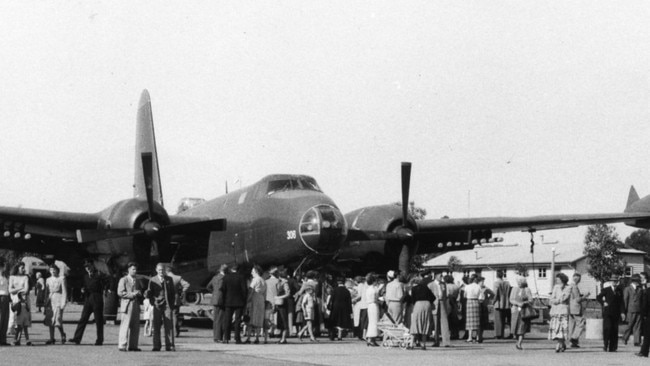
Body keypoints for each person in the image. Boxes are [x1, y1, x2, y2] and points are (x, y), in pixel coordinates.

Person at [70, 261, 108, 346]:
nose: (88, 268)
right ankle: (77, 338)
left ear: (92, 267)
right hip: (88, 298)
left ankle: (99, 340)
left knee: (98, 320)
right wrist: (83, 289)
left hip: (97, 297)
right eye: (86, 267)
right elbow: (84, 285)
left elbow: (108, 281)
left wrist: (107, 289)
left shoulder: (99, 275)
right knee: (83, 319)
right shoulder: (86, 276)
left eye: (89, 266)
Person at [146, 262, 177, 351]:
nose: (161, 272)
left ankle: (170, 345)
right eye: (159, 270)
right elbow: (149, 292)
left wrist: (171, 304)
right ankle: (156, 346)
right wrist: (153, 302)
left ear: (164, 271)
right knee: (156, 326)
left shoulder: (169, 279)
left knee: (169, 326)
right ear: (156, 270)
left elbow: (172, 293)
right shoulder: (152, 280)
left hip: (167, 305)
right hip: (157, 305)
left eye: (162, 270)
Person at [117, 262, 142, 352]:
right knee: (125, 325)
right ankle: (122, 345)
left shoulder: (137, 280)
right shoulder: (123, 280)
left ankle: (133, 346)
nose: (135, 271)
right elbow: (120, 292)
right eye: (133, 269)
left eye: (136, 269)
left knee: (135, 326)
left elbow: (139, 291)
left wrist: (139, 293)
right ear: (128, 270)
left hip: (136, 304)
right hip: (127, 305)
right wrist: (131, 294)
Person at [220, 263, 247, 344]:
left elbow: (222, 289)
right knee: (238, 320)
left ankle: (226, 338)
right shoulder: (241, 277)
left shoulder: (226, 277)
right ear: (238, 269)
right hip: (239, 301)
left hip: (228, 301)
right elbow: (244, 290)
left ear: (231, 269)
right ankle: (237, 338)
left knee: (227, 319)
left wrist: (224, 299)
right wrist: (244, 300)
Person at [596, 274, 624, 352]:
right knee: (608, 328)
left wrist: (622, 312)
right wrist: (603, 302)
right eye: (613, 281)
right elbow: (598, 297)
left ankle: (613, 347)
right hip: (608, 313)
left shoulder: (619, 290)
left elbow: (621, 302)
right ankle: (605, 344)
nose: (614, 282)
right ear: (610, 282)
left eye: (616, 281)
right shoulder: (606, 289)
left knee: (614, 330)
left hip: (616, 313)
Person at [409, 275, 435, 350]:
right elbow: (433, 297)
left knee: (415, 323)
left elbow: (413, 300)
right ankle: (423, 344)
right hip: (427, 304)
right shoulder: (426, 287)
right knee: (425, 323)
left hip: (418, 304)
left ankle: (411, 344)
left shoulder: (414, 289)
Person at [244, 265, 267, 344]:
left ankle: (249, 337)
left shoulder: (255, 280)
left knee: (251, 318)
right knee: (258, 319)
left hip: (254, 299)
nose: (251, 273)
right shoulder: (263, 281)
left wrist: (247, 300)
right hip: (261, 300)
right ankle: (257, 337)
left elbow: (251, 291)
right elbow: (264, 293)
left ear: (256, 272)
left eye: (253, 271)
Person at [44, 265, 67, 345]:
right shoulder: (48, 280)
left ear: (57, 270)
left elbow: (64, 291)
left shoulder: (61, 279)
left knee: (58, 319)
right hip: (50, 299)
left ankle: (62, 334)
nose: (53, 271)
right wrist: (45, 302)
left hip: (58, 299)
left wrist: (63, 302)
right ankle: (51, 338)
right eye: (51, 270)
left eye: (54, 270)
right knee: (50, 319)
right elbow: (46, 292)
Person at [548, 273, 571, 352]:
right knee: (557, 328)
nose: (556, 280)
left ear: (562, 279)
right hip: (555, 311)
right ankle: (561, 344)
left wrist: (556, 300)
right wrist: (555, 301)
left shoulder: (568, 288)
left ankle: (558, 345)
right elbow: (552, 298)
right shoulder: (555, 287)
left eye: (558, 279)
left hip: (563, 310)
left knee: (562, 328)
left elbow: (564, 298)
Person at [165, 265, 190, 338]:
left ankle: (168, 331)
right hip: (176, 298)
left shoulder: (165, 278)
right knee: (175, 315)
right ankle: (176, 332)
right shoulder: (178, 277)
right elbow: (187, 285)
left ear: (166, 271)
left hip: (167, 299)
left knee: (168, 315)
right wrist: (183, 291)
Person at [510, 276, 533, 350]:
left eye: (520, 282)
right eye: (518, 282)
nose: (519, 283)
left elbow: (531, 300)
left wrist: (524, 302)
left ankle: (519, 343)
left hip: (524, 311)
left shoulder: (527, 289)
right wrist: (517, 303)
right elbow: (511, 299)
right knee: (515, 327)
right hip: (515, 310)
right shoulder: (514, 289)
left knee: (522, 328)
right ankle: (517, 340)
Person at [206, 263, 228, 343]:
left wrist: (214, 292)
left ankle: (215, 336)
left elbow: (208, 287)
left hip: (215, 299)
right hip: (222, 299)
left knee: (215, 319)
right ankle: (219, 337)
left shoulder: (215, 277)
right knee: (221, 319)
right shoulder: (225, 278)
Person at [428, 271, 450, 347]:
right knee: (435, 324)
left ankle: (446, 342)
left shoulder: (444, 284)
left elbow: (446, 296)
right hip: (434, 304)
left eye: (442, 276)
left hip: (442, 303)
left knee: (444, 322)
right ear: (436, 276)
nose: (441, 278)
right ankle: (436, 341)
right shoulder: (430, 285)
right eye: (440, 276)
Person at [9, 263, 30, 340]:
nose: (24, 269)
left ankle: (20, 339)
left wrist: (16, 289)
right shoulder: (12, 277)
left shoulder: (25, 277)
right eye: (22, 268)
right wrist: (20, 288)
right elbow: (10, 290)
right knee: (16, 319)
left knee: (23, 320)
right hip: (15, 300)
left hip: (23, 299)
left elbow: (26, 290)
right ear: (17, 268)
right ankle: (17, 338)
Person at [568, 273, 589, 348]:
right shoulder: (575, 287)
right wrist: (585, 296)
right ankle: (574, 338)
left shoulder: (569, 286)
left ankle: (571, 342)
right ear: (577, 279)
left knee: (572, 325)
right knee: (581, 323)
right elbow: (577, 299)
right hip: (575, 308)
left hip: (570, 308)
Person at [623, 274, 643, 346]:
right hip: (630, 310)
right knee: (630, 325)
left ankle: (637, 341)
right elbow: (625, 300)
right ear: (634, 281)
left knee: (638, 326)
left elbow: (641, 300)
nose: (639, 282)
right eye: (638, 281)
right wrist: (624, 311)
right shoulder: (627, 289)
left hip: (639, 310)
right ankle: (625, 338)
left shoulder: (640, 289)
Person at [273, 268, 291, 344]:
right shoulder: (280, 282)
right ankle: (282, 338)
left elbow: (288, 293)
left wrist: (279, 297)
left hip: (283, 303)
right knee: (280, 320)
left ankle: (283, 338)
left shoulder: (285, 283)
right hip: (279, 304)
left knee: (284, 321)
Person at [493, 270, 511, 339]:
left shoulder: (496, 283)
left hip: (498, 303)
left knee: (497, 319)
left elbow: (495, 294)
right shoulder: (507, 283)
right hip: (506, 303)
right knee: (503, 320)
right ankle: (502, 334)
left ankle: (498, 334)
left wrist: (493, 302)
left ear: (497, 275)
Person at [463, 274, 481, 343]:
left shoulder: (467, 286)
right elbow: (480, 295)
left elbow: (464, 295)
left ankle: (470, 337)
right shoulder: (478, 286)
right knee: (477, 321)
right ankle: (477, 337)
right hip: (476, 301)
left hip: (469, 302)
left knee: (469, 321)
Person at [365, 273, 381, 347]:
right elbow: (374, 299)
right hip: (373, 305)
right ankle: (371, 338)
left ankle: (372, 339)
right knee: (374, 322)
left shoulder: (368, 289)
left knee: (372, 322)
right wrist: (380, 301)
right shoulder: (373, 289)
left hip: (370, 306)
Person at [636, 276, 650, 357]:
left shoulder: (647, 291)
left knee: (647, 335)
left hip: (648, 316)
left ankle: (644, 352)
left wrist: (643, 315)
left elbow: (645, 305)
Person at [478, 276, 494, 343]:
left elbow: (492, 294)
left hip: (484, 305)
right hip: (478, 304)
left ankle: (480, 335)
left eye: (483, 282)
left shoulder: (486, 288)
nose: (482, 283)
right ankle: (477, 336)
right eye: (481, 282)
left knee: (483, 321)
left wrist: (487, 299)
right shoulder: (477, 288)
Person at [445, 275, 461, 340]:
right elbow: (457, 295)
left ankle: (450, 333)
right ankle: (455, 333)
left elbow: (448, 295)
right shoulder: (456, 286)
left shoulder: (447, 286)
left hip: (448, 301)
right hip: (455, 301)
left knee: (448, 318)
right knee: (454, 318)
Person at [265, 267, 279, 337]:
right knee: (275, 317)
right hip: (276, 300)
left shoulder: (266, 281)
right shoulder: (278, 281)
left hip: (268, 300)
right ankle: (274, 331)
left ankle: (269, 329)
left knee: (268, 317)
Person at [352, 276, 368, 340]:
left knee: (359, 319)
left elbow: (360, 295)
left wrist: (354, 300)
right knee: (361, 320)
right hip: (362, 304)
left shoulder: (360, 286)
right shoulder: (363, 285)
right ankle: (360, 334)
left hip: (360, 305)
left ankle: (360, 334)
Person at [0, 261, 9, 346]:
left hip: (6, 297)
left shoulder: (5, 277)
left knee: (5, 319)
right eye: (4, 266)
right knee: (0, 319)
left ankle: (3, 339)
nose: (6, 268)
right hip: (1, 297)